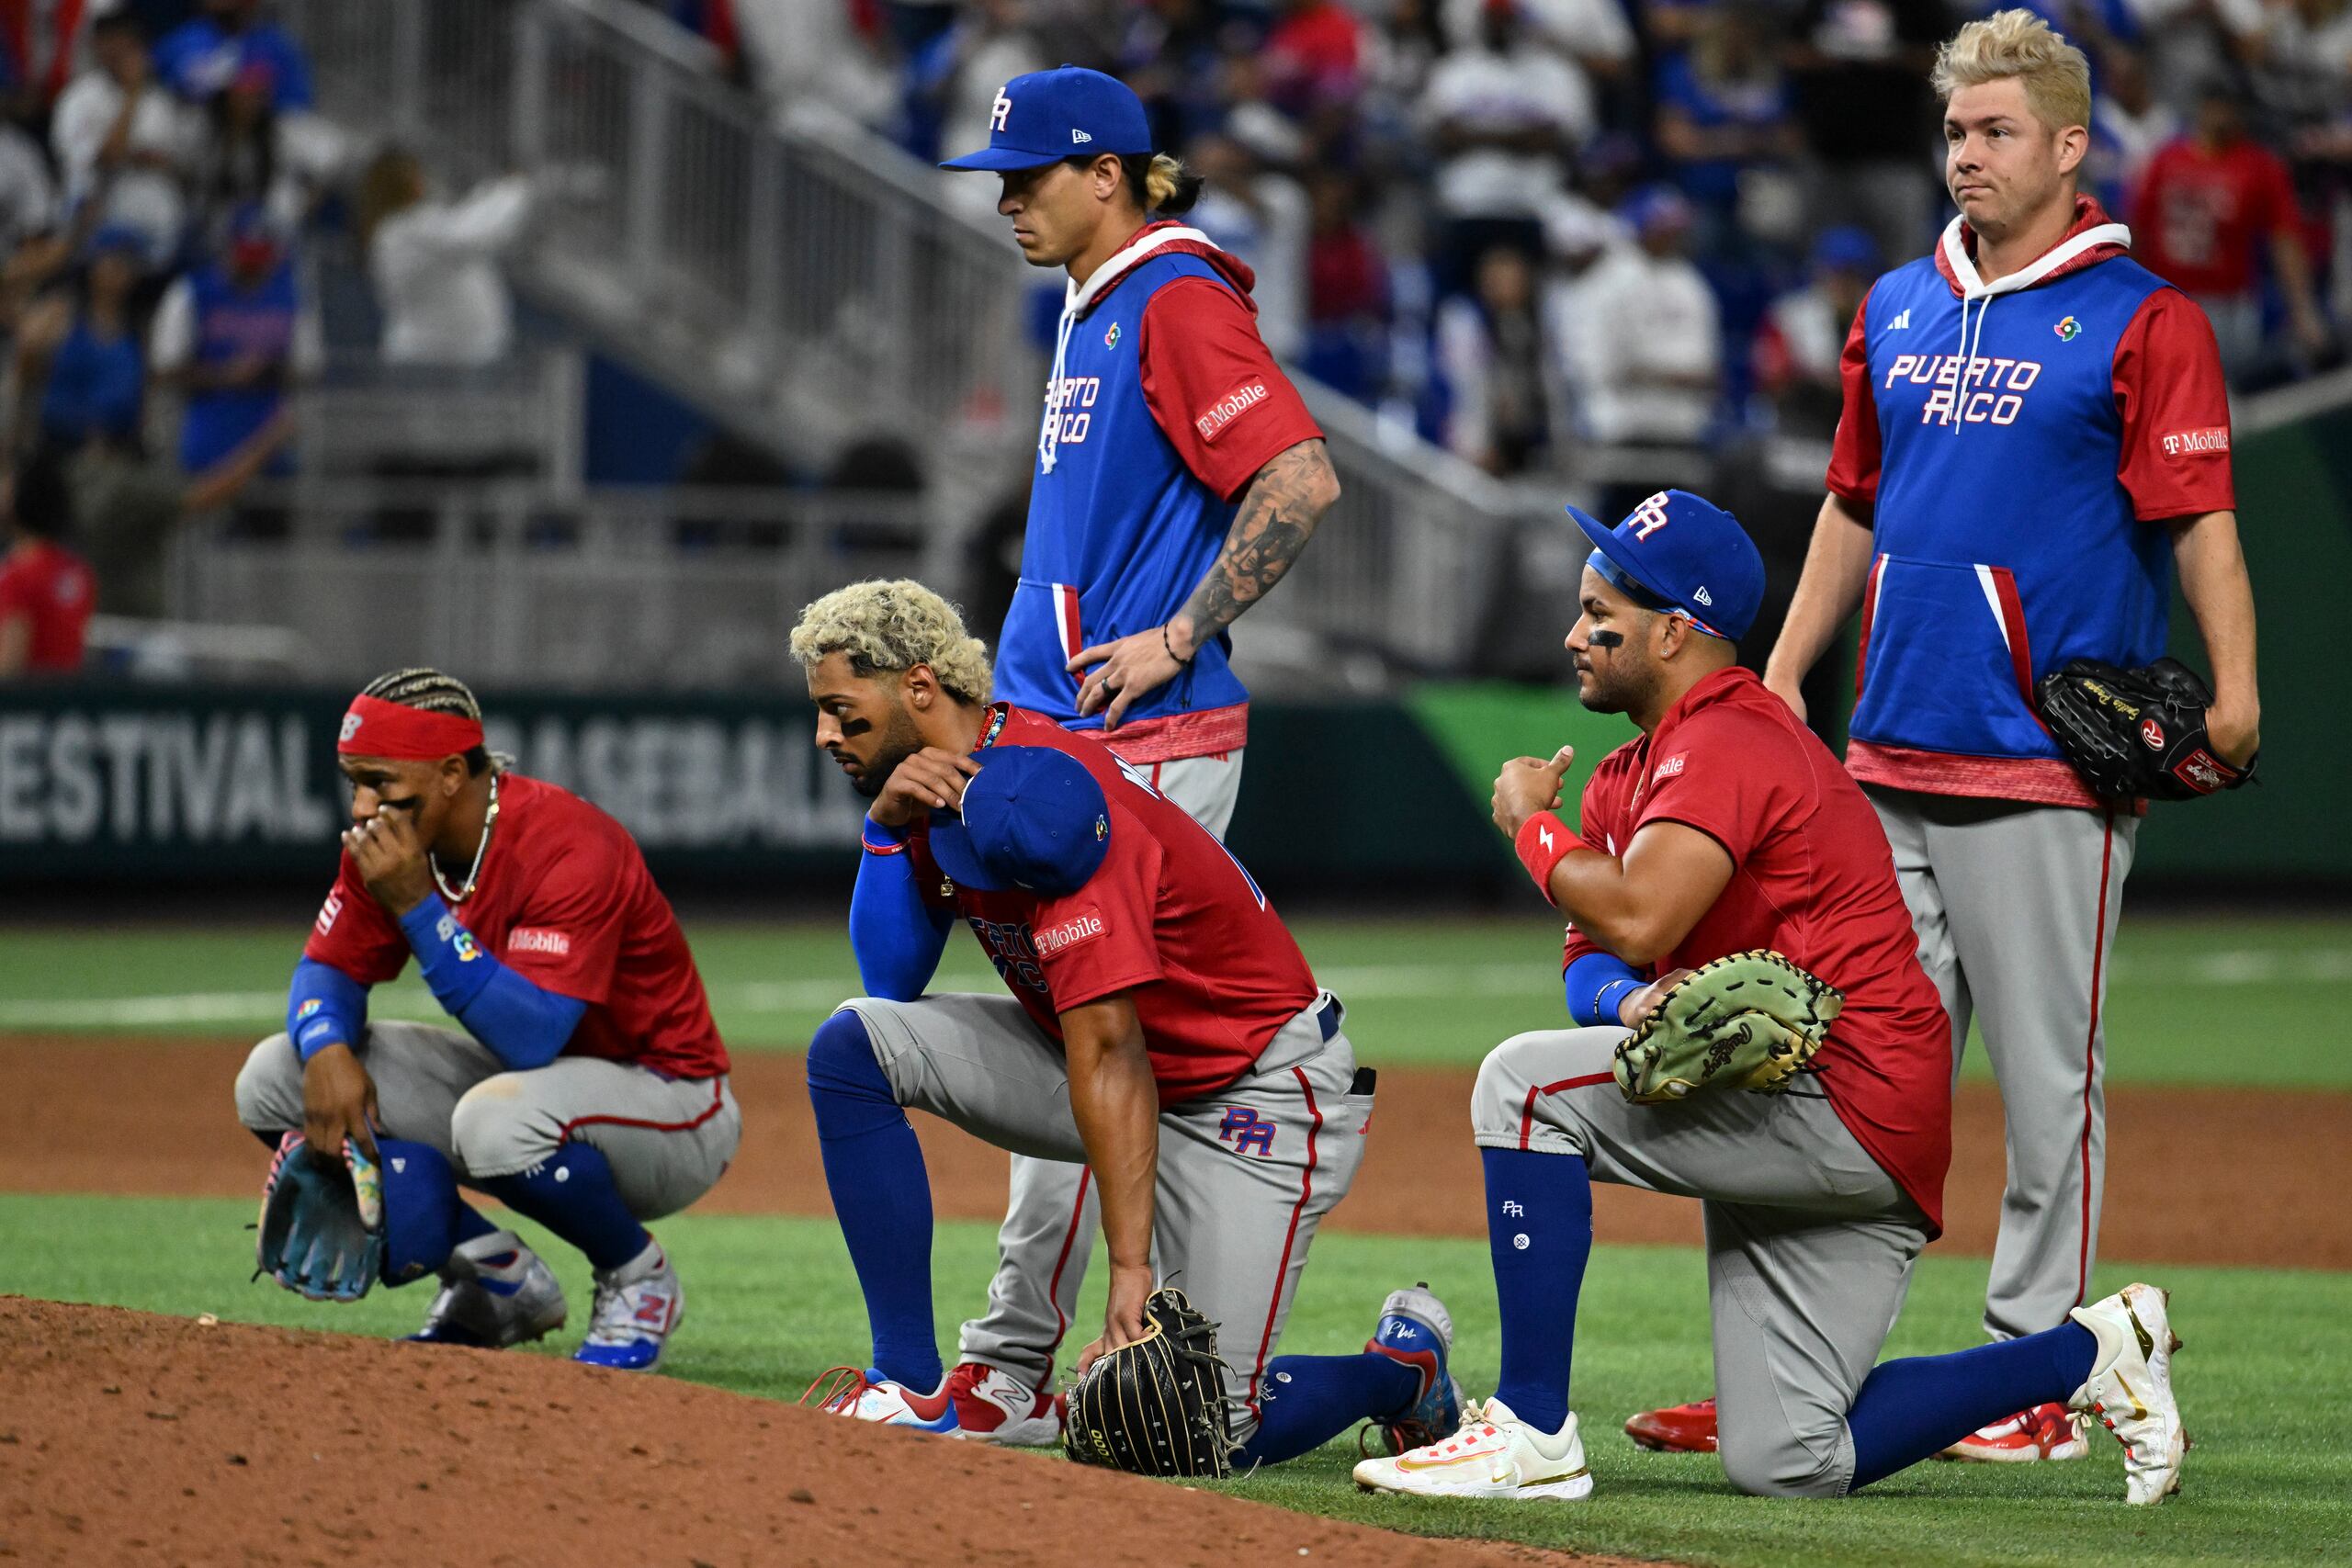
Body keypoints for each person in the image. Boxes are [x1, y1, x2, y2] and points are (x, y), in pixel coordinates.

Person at [1630, 8, 2251, 1465]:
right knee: (1843, 1079)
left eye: (1995, 132)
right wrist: (1780, 678)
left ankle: (2039, 1372)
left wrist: (2235, 692)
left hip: (2045, 766)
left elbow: (2200, 517)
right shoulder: (1898, 303)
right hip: (1883, 763)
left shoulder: (2139, 316)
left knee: (2049, 1094)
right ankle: (1800, 1377)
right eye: (1956, 132)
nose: (1966, 155)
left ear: (2069, 146)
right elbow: (1852, 504)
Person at [1351, 491, 2188, 1506]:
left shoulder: (1732, 739)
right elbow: (1591, 955)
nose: (1574, 635)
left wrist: (1532, 826)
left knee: (1518, 1088)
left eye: (1597, 613)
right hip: (1835, 1131)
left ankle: (1528, 1431)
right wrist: (1625, 1007)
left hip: (1842, 1102)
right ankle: (2092, 1352)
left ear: (1672, 631)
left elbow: (1642, 916)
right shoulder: (1630, 774)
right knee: (1789, 1459)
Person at [787, 579, 1463, 1467]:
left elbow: (1111, 1055)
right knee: (854, 1044)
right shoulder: (935, 784)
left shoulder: (1053, 803)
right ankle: (907, 1383)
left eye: (843, 710)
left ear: (918, 687)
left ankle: (1402, 1373)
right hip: (1117, 1057)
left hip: (1254, 1090)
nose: (827, 734)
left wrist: (1131, 1271)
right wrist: (884, 826)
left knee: (1198, 1431)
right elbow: (890, 979)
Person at [929, 65, 1344, 1444]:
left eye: (1030, 176)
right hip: (1074, 735)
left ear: (1108, 171)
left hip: (1141, 741)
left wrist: (1178, 631)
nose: (1007, 201)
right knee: (1079, 1049)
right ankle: (1023, 1354)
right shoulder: (1101, 296)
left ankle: (1010, 1363)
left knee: (1092, 1047)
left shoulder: (1172, 297)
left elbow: (1298, 478)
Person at [231, 668, 742, 1370]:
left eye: (380, 780)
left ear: (448, 773)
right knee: (274, 1077)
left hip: (670, 1102)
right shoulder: (391, 841)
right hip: (537, 1090)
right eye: (353, 779)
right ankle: (493, 1274)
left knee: (493, 1122)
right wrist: (325, 1049)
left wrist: (417, 909)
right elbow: (330, 969)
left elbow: (532, 1035)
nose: (361, 806)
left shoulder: (569, 843)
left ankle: (637, 1277)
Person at [2130, 80, 2331, 381]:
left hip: (2230, 303)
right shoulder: (2166, 159)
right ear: (2203, 108)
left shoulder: (2258, 165)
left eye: (2232, 107)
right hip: (2168, 298)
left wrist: (2304, 312)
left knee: (2225, 393)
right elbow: (2138, 230)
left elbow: (2284, 239)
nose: (2224, 115)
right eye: (2218, 105)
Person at [150, 206, 318, 477]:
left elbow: (308, 369)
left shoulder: (291, 296)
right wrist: (224, 374)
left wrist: (266, 369)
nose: (253, 270)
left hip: (269, 446)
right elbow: (164, 370)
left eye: (261, 260)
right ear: (228, 250)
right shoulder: (192, 292)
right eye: (246, 259)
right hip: (206, 443)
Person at [356, 149, 548, 368]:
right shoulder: (405, 231)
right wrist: (515, 189)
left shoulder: (401, 228)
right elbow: (475, 233)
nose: (424, 181)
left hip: (449, 355)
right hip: (436, 360)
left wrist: (494, 190)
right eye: (417, 176)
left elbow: (465, 220)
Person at [51, 11, 194, 273]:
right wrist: (132, 95)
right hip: (102, 230)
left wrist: (161, 163)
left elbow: (184, 167)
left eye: (127, 44)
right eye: (110, 43)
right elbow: (109, 157)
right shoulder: (79, 99)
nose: (120, 53)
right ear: (97, 46)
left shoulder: (160, 100)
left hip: (161, 228)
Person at [0, 448, 93, 677]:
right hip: (62, 704)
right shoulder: (77, 571)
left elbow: (9, 669)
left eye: (6, 481)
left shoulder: (18, 576)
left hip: (25, 708)